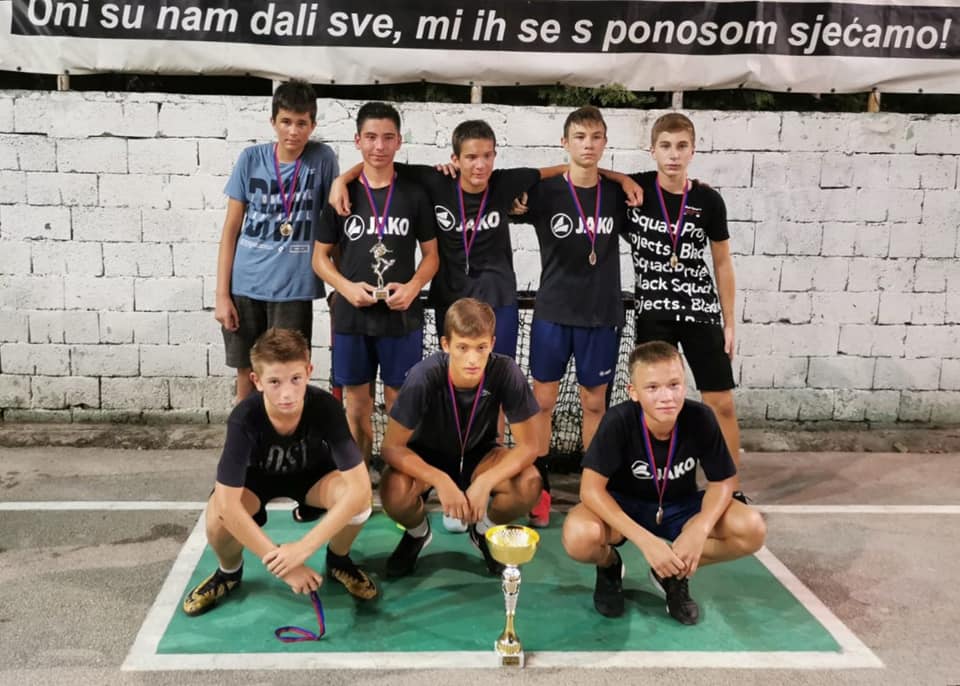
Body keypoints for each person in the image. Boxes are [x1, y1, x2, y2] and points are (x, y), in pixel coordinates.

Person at [561, 341, 766, 623]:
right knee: (578, 537)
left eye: (674, 385)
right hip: (625, 506)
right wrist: (646, 541)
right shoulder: (618, 420)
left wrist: (700, 529)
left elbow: (723, 482)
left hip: (680, 506)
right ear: (633, 392)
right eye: (652, 387)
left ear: (684, 385)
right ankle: (609, 567)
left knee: (752, 529)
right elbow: (590, 490)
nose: (666, 396)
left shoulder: (701, 417)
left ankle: (672, 573)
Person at [182, 328, 378, 617]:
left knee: (359, 502)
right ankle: (229, 572)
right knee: (217, 516)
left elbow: (361, 488)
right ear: (257, 381)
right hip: (256, 481)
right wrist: (284, 567)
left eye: (295, 379)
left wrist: (302, 549)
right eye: (274, 381)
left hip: (312, 477)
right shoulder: (244, 418)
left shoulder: (325, 407)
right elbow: (226, 504)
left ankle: (339, 560)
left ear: (309, 372)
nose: (287, 393)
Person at [516, 106, 633, 529]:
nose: (588, 144)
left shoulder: (618, 195)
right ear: (564, 142)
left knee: (594, 403)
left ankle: (592, 488)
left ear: (605, 143)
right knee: (542, 402)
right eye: (580, 137)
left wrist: (622, 178)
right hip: (553, 312)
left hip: (601, 314)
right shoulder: (543, 193)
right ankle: (540, 486)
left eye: (596, 137)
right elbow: (498, 183)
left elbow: (664, 188)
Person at [312, 102, 439, 488]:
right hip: (353, 317)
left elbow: (432, 256)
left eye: (387, 137)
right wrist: (346, 288)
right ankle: (359, 479)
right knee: (357, 404)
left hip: (401, 317)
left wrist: (414, 287)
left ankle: (401, 477)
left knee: (401, 402)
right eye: (370, 137)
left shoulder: (415, 194)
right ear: (357, 141)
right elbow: (319, 259)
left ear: (399, 141)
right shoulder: (342, 194)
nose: (378, 146)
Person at [623, 112, 746, 500]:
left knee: (720, 401)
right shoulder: (635, 191)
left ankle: (729, 489)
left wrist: (729, 322)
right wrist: (621, 179)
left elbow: (722, 262)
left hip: (700, 312)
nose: (673, 155)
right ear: (652, 150)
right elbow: (592, 176)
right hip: (654, 315)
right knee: (654, 403)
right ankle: (654, 485)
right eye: (665, 146)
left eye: (681, 146)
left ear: (693, 150)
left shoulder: (708, 200)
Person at [379, 297, 543, 577]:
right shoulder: (424, 376)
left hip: (481, 455)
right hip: (428, 455)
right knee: (393, 489)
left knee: (529, 483)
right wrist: (440, 480)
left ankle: (483, 531)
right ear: (446, 345)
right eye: (463, 347)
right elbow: (391, 448)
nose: (472, 359)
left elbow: (530, 445)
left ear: (492, 343)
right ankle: (417, 534)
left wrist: (485, 482)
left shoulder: (505, 371)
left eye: (481, 347)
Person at [214, 79, 337, 405]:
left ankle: (284, 434)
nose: (293, 131)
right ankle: (245, 435)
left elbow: (333, 223)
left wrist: (340, 284)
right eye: (286, 121)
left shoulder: (322, 159)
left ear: (313, 125)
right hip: (245, 285)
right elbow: (230, 230)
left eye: (301, 123)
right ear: (273, 122)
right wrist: (222, 294)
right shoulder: (251, 159)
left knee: (287, 376)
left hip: (293, 288)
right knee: (247, 375)